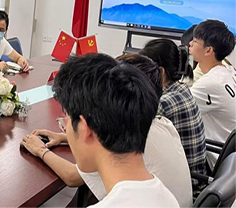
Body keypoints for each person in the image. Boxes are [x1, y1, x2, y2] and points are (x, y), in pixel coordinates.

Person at [21, 54, 179, 207]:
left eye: (66, 121)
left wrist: (40, 150)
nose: (66, 128)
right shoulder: (167, 198)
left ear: (83, 128)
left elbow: (71, 177)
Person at [139, 39, 207, 182]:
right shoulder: (183, 88)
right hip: (197, 174)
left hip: (185, 181)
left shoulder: (163, 102)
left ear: (161, 72)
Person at [188, 19, 236, 166]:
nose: (190, 43)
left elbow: (176, 107)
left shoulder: (210, 83)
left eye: (195, 41)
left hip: (217, 161)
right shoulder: (229, 71)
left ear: (208, 50)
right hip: (230, 161)